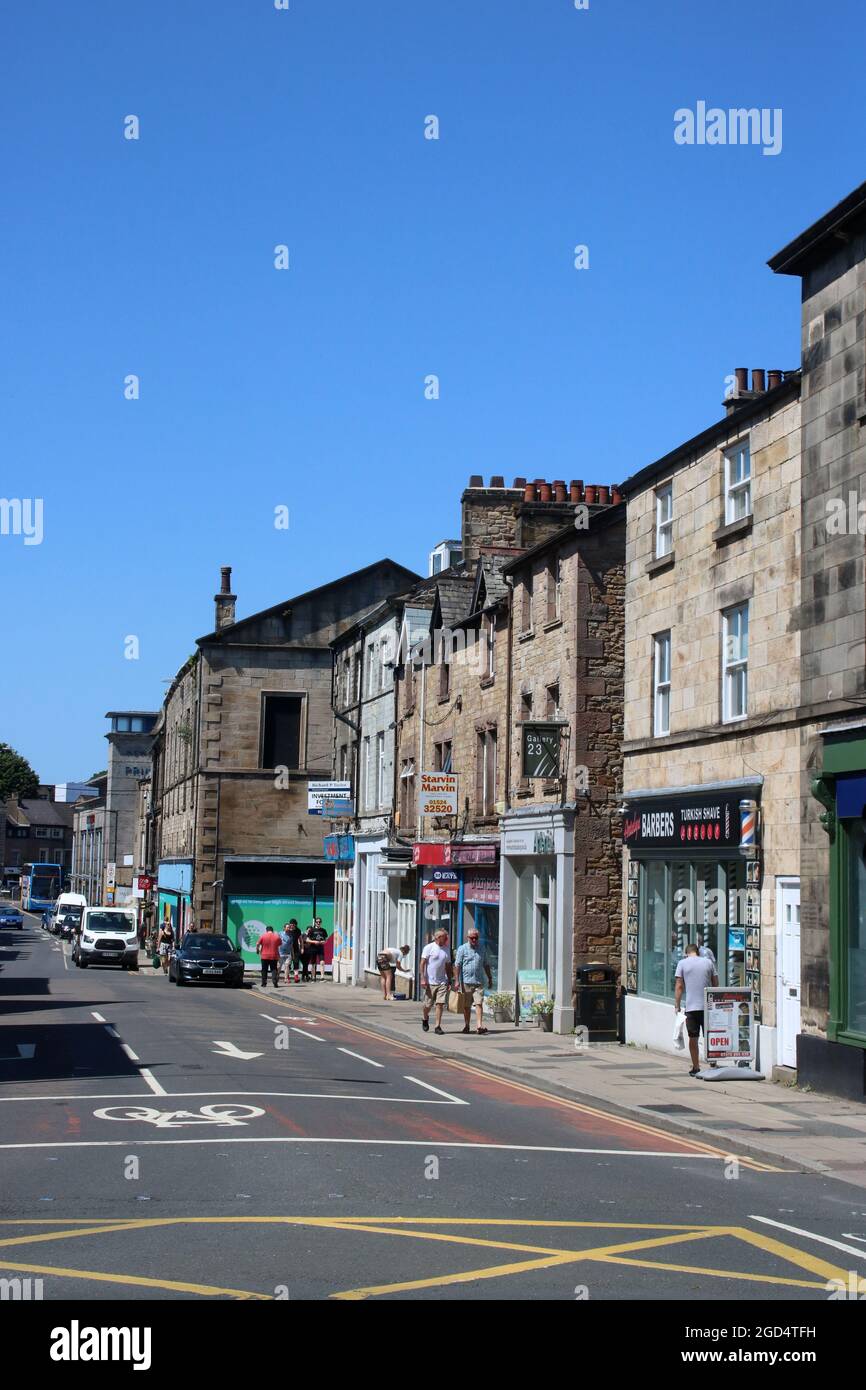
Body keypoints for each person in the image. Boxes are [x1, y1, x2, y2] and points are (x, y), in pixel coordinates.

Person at [674, 942, 718, 1077]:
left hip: (691, 1007)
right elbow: (715, 983)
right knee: (710, 1036)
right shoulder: (708, 963)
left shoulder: (682, 963)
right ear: (698, 952)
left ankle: (696, 1066)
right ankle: (713, 1062)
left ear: (687, 953)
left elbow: (679, 986)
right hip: (708, 1006)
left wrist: (677, 1005)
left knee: (693, 1037)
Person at [454, 928, 494, 1035]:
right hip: (466, 982)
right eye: (472, 938)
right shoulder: (462, 949)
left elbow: (486, 964)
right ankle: (467, 1025)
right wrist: (457, 981)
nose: (474, 940)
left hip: (478, 982)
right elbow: (457, 965)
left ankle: (479, 1026)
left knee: (479, 1003)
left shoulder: (482, 948)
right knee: (467, 1006)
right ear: (468, 938)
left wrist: (490, 978)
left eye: (476, 938)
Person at [420, 929, 452, 1035]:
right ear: (438, 937)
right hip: (430, 982)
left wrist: (450, 980)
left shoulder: (447, 949)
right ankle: (425, 1018)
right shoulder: (429, 948)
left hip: (442, 981)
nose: (447, 938)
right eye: (444, 937)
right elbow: (422, 964)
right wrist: (423, 978)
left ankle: (437, 1026)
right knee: (427, 1005)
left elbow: (448, 966)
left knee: (440, 1004)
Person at [305, 917, 328, 982]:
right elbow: (307, 940)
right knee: (313, 963)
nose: (318, 923)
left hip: (320, 948)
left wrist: (323, 942)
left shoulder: (323, 930)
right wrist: (314, 942)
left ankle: (322, 977)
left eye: (319, 922)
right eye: (317, 922)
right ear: (315, 923)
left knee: (322, 962)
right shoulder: (312, 930)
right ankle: (313, 977)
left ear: (321, 922)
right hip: (313, 948)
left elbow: (326, 939)